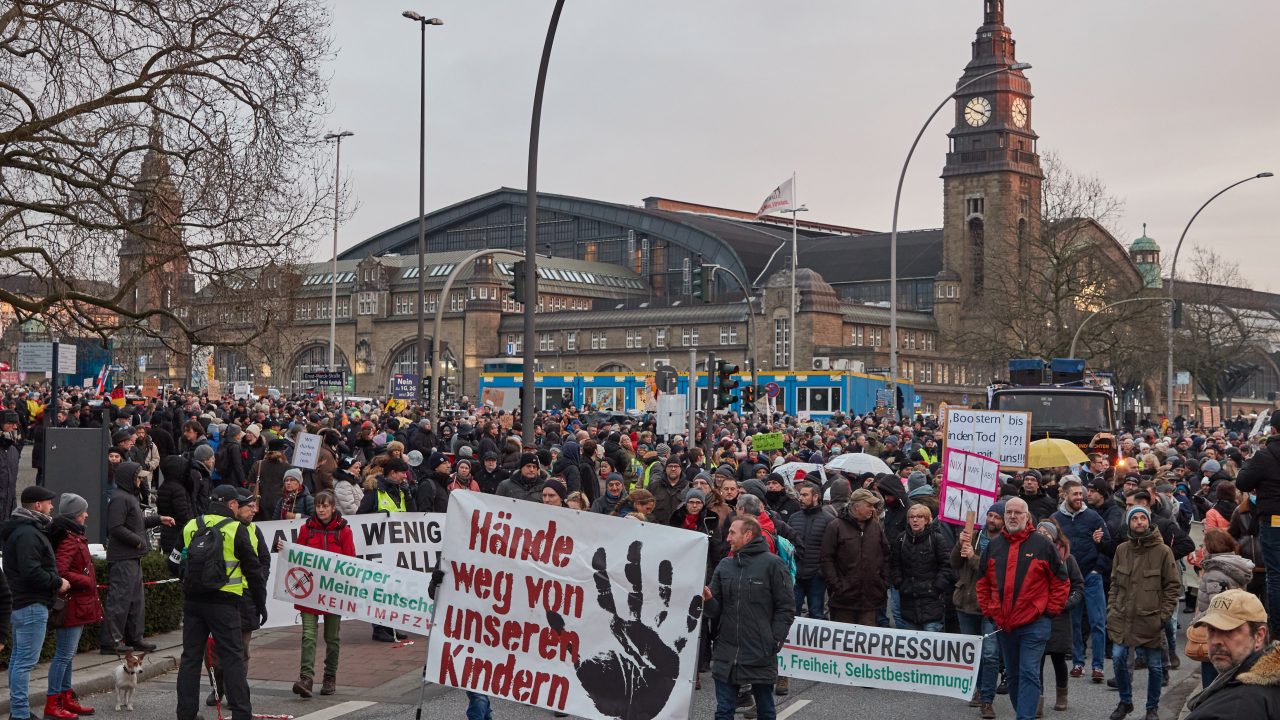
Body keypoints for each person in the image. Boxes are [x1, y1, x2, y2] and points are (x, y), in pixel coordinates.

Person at [175, 485, 267, 720]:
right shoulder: (237, 529)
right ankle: (241, 713)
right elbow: (253, 570)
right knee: (233, 657)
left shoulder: (191, 525)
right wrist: (260, 603)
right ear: (232, 505)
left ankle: (186, 714)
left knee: (190, 658)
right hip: (224, 604)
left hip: (194, 602)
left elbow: (173, 562)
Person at [976, 497, 1069, 720]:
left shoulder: (1042, 544)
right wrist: (990, 611)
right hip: (1005, 625)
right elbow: (982, 582)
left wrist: (1048, 612)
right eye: (1009, 512)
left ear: (1027, 517)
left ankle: (1024, 717)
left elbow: (1061, 581)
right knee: (1015, 675)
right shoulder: (994, 546)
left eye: (1018, 512)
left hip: (1035, 624)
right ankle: (1024, 713)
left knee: (1028, 673)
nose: (1013, 516)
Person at [703, 516, 795, 720]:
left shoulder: (774, 564)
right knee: (724, 710)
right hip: (726, 651)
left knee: (765, 711)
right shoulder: (725, 565)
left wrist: (774, 640)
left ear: (748, 535)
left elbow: (786, 608)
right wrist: (708, 600)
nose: (727, 538)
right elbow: (713, 611)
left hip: (759, 650)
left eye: (732, 533)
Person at [1106, 505, 1180, 720]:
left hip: (1151, 619)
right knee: (1119, 659)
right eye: (1134, 518)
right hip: (1122, 616)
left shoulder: (1163, 551)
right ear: (1129, 523)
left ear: (1149, 521)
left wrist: (1163, 616)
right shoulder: (1122, 550)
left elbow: (1173, 586)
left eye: (1142, 518)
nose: (1139, 522)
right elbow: (1114, 583)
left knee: (1155, 667)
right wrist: (1112, 608)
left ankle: (1152, 708)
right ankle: (1125, 701)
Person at [2, 485, 69, 720]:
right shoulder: (28, 533)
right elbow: (31, 571)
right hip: (31, 604)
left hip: (22, 603)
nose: (52, 506)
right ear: (38, 505)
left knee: (18, 660)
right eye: (49, 502)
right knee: (24, 663)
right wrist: (57, 582)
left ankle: (19, 711)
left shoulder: (24, 530)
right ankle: (19, 713)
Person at [101, 461, 174, 654]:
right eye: (139, 477)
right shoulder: (120, 498)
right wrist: (137, 541)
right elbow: (115, 527)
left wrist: (158, 519)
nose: (141, 481)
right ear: (130, 478)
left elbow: (136, 522)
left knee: (135, 601)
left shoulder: (127, 497)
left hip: (132, 556)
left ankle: (134, 638)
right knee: (120, 600)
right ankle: (112, 641)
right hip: (124, 557)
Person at [207, 492, 268, 708]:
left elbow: (263, 560)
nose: (254, 510)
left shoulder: (254, 530)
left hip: (247, 599)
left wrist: (259, 581)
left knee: (242, 649)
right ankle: (218, 686)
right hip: (223, 598)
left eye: (255, 506)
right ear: (236, 507)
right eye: (249, 506)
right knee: (216, 650)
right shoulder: (226, 528)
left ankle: (236, 692)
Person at [290, 490, 354, 698]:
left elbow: (350, 561)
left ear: (333, 507)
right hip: (310, 592)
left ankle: (329, 677)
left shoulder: (343, 531)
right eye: (318, 506)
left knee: (331, 637)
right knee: (308, 636)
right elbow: (297, 557)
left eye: (325, 506)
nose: (321, 510)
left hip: (333, 592)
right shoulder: (306, 529)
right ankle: (306, 678)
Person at [1183, 589, 1280, 719]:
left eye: (1228, 630)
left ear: (1259, 635)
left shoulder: (1237, 706)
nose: (1216, 641)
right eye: (1211, 630)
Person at [1052, 476, 1113, 683]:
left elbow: (1106, 544)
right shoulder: (1055, 519)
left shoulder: (1094, 517)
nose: (1080, 497)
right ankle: (1078, 662)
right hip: (1068, 579)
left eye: (1081, 494)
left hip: (1091, 576)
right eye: (1075, 494)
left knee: (1097, 622)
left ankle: (1098, 666)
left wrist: (1098, 569)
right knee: (1075, 623)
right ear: (1065, 495)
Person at [46, 493, 101, 719]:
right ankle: (53, 702)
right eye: (83, 511)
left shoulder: (72, 535)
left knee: (68, 655)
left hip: (76, 604)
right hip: (71, 604)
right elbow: (61, 571)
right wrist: (86, 580)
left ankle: (66, 697)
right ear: (75, 514)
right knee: (63, 655)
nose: (87, 514)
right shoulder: (69, 538)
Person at [953, 501, 1005, 719]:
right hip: (966, 603)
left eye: (997, 517)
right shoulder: (973, 535)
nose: (992, 520)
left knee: (991, 654)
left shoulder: (1005, 543)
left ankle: (987, 699)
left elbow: (993, 572)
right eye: (990, 515)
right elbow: (955, 563)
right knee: (973, 654)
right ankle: (977, 688)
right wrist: (960, 545)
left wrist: (973, 557)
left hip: (990, 607)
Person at [1233, 410, 1280, 637]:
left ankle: (1277, 629)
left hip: (1274, 521)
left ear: (1272, 430)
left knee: (1276, 575)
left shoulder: (1264, 456)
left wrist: (1249, 463)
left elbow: (1242, 482)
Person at [1192, 529, 1254, 687]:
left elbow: (1217, 609)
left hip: (1216, 632)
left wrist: (1197, 621)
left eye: (1203, 545)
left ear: (1211, 547)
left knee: (1212, 679)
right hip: (1233, 629)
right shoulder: (1233, 566)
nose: (1201, 549)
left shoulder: (1215, 573)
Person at [820, 488, 889, 625]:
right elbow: (826, 559)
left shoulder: (875, 527)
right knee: (842, 643)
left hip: (870, 599)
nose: (872, 509)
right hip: (843, 600)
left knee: (866, 642)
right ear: (857, 506)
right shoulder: (836, 527)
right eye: (869, 505)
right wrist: (837, 587)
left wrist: (883, 583)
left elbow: (886, 555)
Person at [1035, 520, 1083, 714]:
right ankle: (1036, 699)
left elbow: (1079, 586)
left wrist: (1065, 605)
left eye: (1046, 533)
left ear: (1054, 536)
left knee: (1058, 658)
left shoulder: (1067, 559)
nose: (1042, 536)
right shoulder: (1030, 555)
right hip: (1036, 615)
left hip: (1059, 616)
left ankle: (1062, 694)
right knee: (1035, 661)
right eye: (1038, 533)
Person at [888, 503, 953, 632]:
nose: (915, 520)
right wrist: (900, 583)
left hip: (931, 602)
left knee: (931, 645)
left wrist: (937, 587)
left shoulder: (936, 539)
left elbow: (946, 566)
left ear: (927, 519)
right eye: (912, 517)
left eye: (919, 516)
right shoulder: (901, 539)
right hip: (909, 601)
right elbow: (895, 564)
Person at [789, 481, 833, 621]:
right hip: (796, 575)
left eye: (805, 495)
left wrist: (821, 571)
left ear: (815, 497)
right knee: (792, 613)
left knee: (816, 614)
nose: (800, 498)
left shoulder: (828, 520)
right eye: (800, 495)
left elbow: (831, 549)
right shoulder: (794, 518)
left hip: (816, 576)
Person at [648, 456, 689, 524]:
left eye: (676, 466)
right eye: (670, 466)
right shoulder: (654, 487)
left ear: (681, 469)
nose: (673, 469)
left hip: (681, 530)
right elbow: (646, 508)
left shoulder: (688, 487)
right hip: (657, 528)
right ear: (665, 468)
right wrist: (653, 521)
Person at [0, 409, 20, 517]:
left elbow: (12, 483)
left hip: (9, 509)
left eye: (15, 423)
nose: (14, 427)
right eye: (10, 423)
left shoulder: (13, 450)